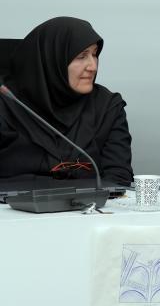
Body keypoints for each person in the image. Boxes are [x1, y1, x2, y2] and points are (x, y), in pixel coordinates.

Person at [0, 17, 133, 186]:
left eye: (94, 54)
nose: (93, 66)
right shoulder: (6, 103)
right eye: (81, 56)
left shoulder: (107, 106)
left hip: (91, 203)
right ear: (51, 59)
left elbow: (119, 178)